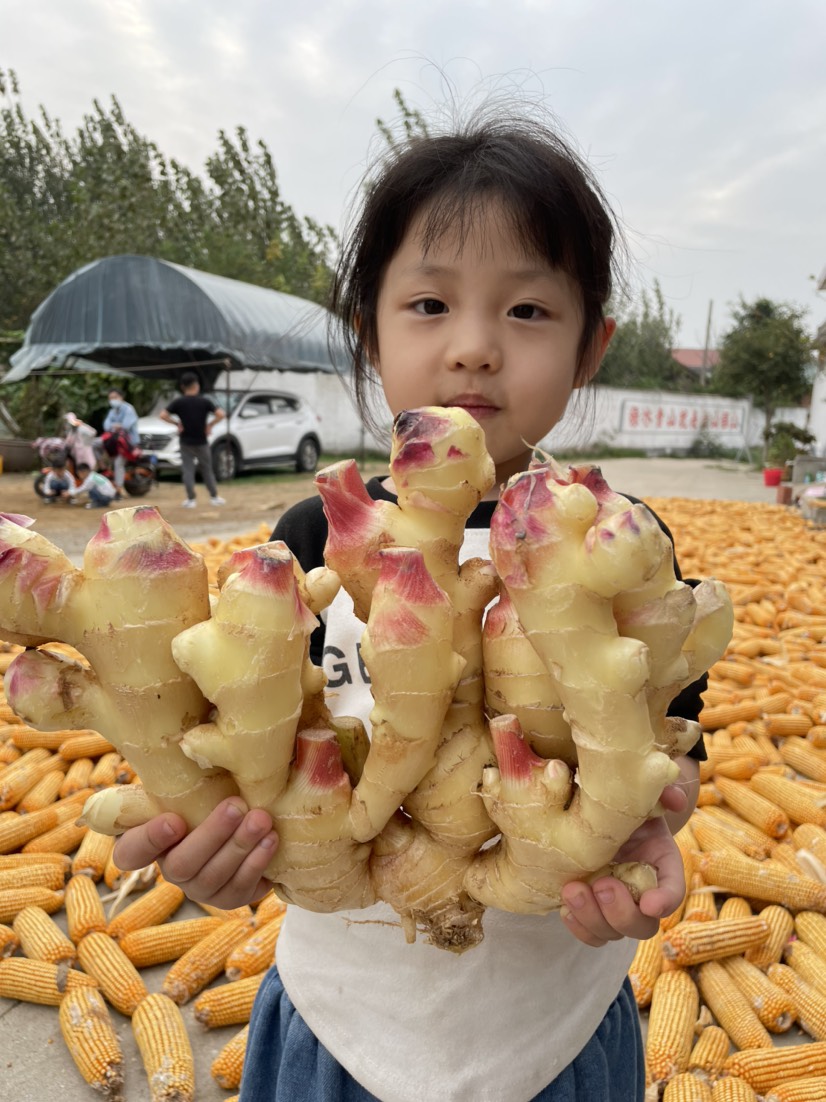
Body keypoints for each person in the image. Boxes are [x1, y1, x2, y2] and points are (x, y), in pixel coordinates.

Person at [113, 110, 708, 1102]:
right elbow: (247, 739)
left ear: (590, 343)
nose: (474, 348)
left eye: (526, 312)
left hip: (553, 1028)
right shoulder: (311, 534)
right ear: (370, 334)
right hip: (340, 1022)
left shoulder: (618, 546)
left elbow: (672, 749)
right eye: (429, 304)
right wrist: (216, 844)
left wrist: (650, 838)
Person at [159, 372, 226, 508]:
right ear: (196, 385)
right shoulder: (204, 401)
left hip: (185, 442)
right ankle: (214, 497)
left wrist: (176, 423)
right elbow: (221, 414)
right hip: (202, 441)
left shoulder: (179, 402)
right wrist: (210, 425)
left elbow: (163, 415)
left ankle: (191, 499)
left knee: (188, 470)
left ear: (183, 387)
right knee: (207, 469)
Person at [103, 387, 140, 495]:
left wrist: (114, 426)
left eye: (115, 397)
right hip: (115, 442)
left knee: (118, 463)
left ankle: (119, 489)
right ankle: (104, 471)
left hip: (129, 444)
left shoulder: (129, 409)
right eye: (110, 398)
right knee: (97, 445)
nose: (113, 400)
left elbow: (125, 426)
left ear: (121, 397)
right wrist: (117, 426)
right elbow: (106, 426)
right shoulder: (112, 411)